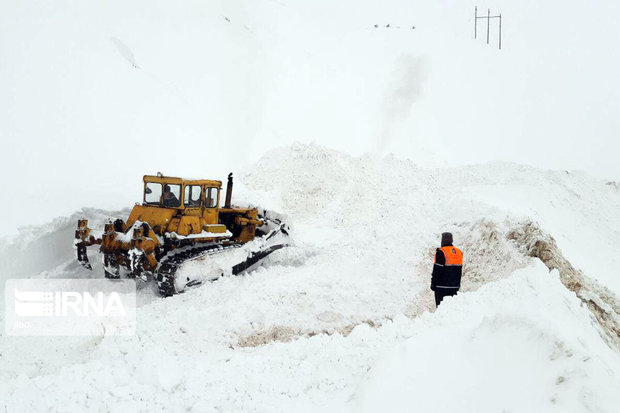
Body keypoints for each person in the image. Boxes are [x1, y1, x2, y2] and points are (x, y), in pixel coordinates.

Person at [430, 232, 463, 308]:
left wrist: (433, 284)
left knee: (441, 311)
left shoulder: (441, 252)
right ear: (451, 240)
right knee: (451, 310)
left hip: (441, 288)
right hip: (454, 287)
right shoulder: (459, 252)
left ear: (442, 241)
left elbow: (437, 270)